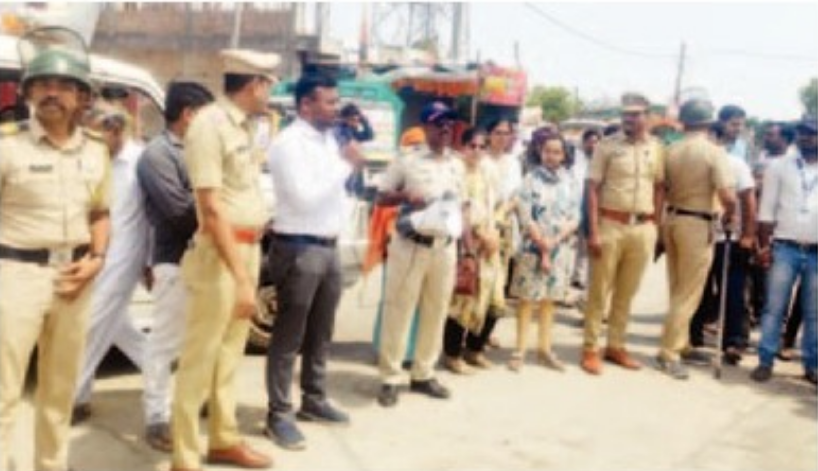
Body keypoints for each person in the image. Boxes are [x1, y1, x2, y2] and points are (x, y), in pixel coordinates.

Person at [0, 27, 111, 471]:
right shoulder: (7, 146)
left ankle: (50, 464)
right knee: (4, 388)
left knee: (60, 389)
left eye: (64, 86)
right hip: (15, 275)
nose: (52, 93)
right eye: (43, 84)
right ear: (28, 92)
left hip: (75, 277)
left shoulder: (96, 151)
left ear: (81, 96)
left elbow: (100, 213)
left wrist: (97, 259)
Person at [169, 49, 278, 471]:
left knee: (230, 353)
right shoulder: (208, 126)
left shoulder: (245, 126)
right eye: (268, 84)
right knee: (200, 356)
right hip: (220, 254)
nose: (270, 93)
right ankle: (184, 455)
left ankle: (223, 439)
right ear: (255, 84)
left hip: (246, 248)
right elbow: (211, 209)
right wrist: (244, 280)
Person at [264, 74, 360, 450]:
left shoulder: (327, 140)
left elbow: (333, 193)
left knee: (321, 331)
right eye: (329, 102)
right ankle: (279, 413)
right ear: (306, 105)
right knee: (289, 335)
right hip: (299, 247)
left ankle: (313, 398)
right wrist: (345, 166)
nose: (336, 108)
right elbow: (303, 197)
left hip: (328, 244)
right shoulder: (288, 144)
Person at [136, 81, 214, 452]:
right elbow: (181, 213)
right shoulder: (158, 155)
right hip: (175, 261)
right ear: (189, 114)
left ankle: (190, 401)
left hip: (207, 258)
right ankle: (157, 416)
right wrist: (222, 215)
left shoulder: (200, 150)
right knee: (164, 342)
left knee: (198, 338)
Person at [375, 101, 465, 407]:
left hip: (444, 247)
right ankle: (390, 377)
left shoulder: (457, 164)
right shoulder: (407, 160)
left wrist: (465, 246)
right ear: (425, 127)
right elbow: (380, 196)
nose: (445, 129)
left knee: (436, 311)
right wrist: (404, 196)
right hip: (411, 245)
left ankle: (424, 373)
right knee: (399, 309)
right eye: (439, 123)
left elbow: (462, 205)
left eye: (449, 124)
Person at [71, 104, 150, 422]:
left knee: (91, 324)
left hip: (125, 255)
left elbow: (155, 215)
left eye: (95, 135)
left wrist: (150, 261)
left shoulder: (141, 161)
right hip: (95, 252)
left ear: (115, 131)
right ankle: (164, 372)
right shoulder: (93, 159)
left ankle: (75, 398)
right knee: (118, 326)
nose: (88, 141)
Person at [581, 92, 665, 375]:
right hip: (610, 224)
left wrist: (655, 224)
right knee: (599, 291)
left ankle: (616, 345)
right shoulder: (607, 146)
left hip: (642, 227)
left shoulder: (657, 148)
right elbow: (592, 188)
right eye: (626, 114)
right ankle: (590, 348)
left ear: (647, 117)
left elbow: (659, 187)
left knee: (627, 293)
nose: (629, 119)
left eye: (635, 114)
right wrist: (593, 231)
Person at [654, 99, 737, 380]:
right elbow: (727, 195)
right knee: (689, 291)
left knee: (678, 286)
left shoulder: (670, 150)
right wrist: (731, 215)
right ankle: (669, 352)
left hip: (673, 218)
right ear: (708, 122)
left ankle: (681, 343)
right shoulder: (713, 152)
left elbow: (661, 188)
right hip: (697, 223)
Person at [751, 117, 818, 385]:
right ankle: (765, 361)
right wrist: (764, 246)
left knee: (814, 312)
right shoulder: (779, 166)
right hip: (785, 247)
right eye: (802, 133)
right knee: (774, 308)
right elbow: (766, 209)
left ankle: (812, 365)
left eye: (812, 134)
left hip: (816, 251)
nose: (806, 138)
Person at [687, 112, 757, 366]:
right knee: (698, 289)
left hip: (729, 239)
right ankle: (692, 336)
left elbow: (748, 200)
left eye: (711, 137)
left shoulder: (736, 164)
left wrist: (748, 234)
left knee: (734, 292)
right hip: (699, 235)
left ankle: (734, 341)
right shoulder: (694, 163)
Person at [507, 132, 580, 372]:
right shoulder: (530, 179)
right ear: (540, 152)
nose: (551, 156)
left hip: (560, 249)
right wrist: (541, 242)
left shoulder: (570, 181)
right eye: (547, 151)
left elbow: (575, 216)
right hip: (532, 246)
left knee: (550, 300)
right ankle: (519, 350)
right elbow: (524, 212)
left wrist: (555, 240)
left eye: (557, 152)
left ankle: (545, 349)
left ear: (564, 155)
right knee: (526, 300)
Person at [463, 117, 523, 367]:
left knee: (497, 288)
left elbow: (516, 197)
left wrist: (500, 219)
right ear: (488, 135)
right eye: (497, 132)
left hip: (503, 230)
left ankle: (480, 339)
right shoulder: (480, 160)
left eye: (506, 133)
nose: (501, 137)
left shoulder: (513, 162)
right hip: (478, 230)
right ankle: (463, 341)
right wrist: (486, 227)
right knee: (472, 287)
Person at [442, 128, 501, 374]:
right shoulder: (455, 172)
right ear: (463, 146)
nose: (476, 151)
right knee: (462, 299)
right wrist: (475, 240)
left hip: (489, 243)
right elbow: (460, 211)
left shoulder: (488, 171)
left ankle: (474, 350)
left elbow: (495, 206)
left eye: (482, 147)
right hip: (465, 243)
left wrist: (493, 234)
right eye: (472, 146)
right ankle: (452, 354)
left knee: (493, 300)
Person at [571, 129, 601, 292]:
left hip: (595, 208)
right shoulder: (576, 161)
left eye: (595, 142)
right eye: (589, 142)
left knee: (592, 244)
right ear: (584, 143)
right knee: (579, 245)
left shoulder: (602, 161)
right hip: (579, 206)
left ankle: (589, 279)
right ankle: (577, 276)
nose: (592, 145)